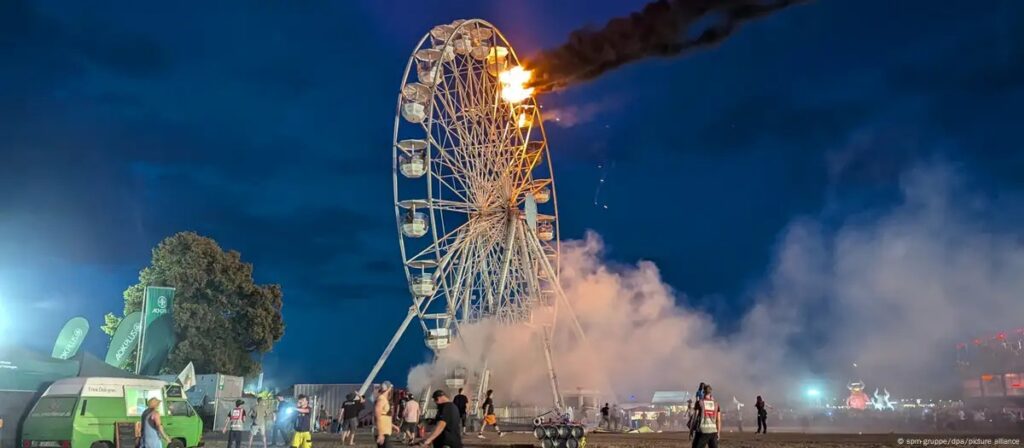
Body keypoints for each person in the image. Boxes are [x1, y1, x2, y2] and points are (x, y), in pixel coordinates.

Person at [374, 382, 400, 448]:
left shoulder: (384, 399)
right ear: (389, 389)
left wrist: (393, 426)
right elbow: (377, 415)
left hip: (385, 431)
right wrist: (380, 433)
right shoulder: (381, 399)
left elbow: (384, 416)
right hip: (382, 431)